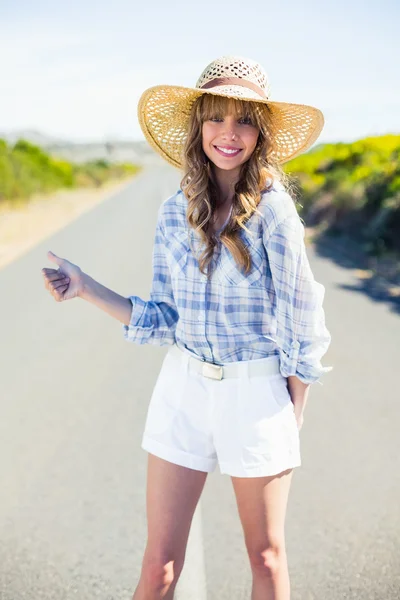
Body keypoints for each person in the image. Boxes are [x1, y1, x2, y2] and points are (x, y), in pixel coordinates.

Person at [41, 55, 333, 600]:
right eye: (216, 119)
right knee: (159, 567)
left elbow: (302, 321)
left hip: (257, 391)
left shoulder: (274, 213)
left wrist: (291, 412)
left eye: (244, 120)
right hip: (183, 389)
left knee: (266, 559)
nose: (229, 133)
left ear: (261, 132)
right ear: (199, 126)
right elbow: (164, 320)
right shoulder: (176, 211)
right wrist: (84, 287)